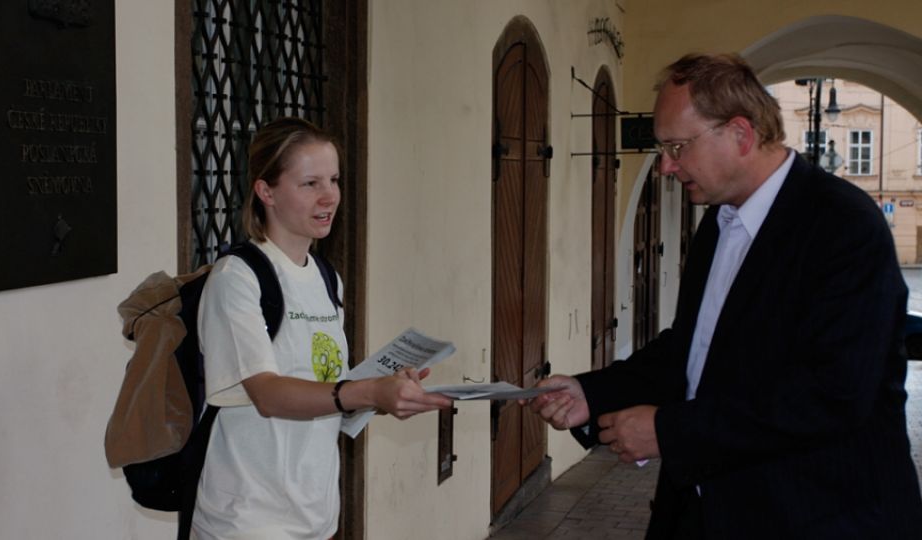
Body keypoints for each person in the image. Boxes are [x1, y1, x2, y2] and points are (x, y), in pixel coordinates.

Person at [528, 53, 922, 539]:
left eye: (677, 146)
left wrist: (669, 431)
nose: (667, 166)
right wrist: (592, 392)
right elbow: (694, 349)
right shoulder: (720, 221)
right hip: (711, 511)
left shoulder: (842, 225)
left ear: (740, 134)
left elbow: (834, 396)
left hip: (817, 516)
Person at [192, 117, 453, 539]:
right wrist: (366, 392)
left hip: (315, 515)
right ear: (266, 191)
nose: (329, 195)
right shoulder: (236, 278)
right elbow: (268, 393)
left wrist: (386, 389)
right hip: (248, 519)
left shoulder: (326, 277)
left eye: (333, 179)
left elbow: (325, 385)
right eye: (309, 183)